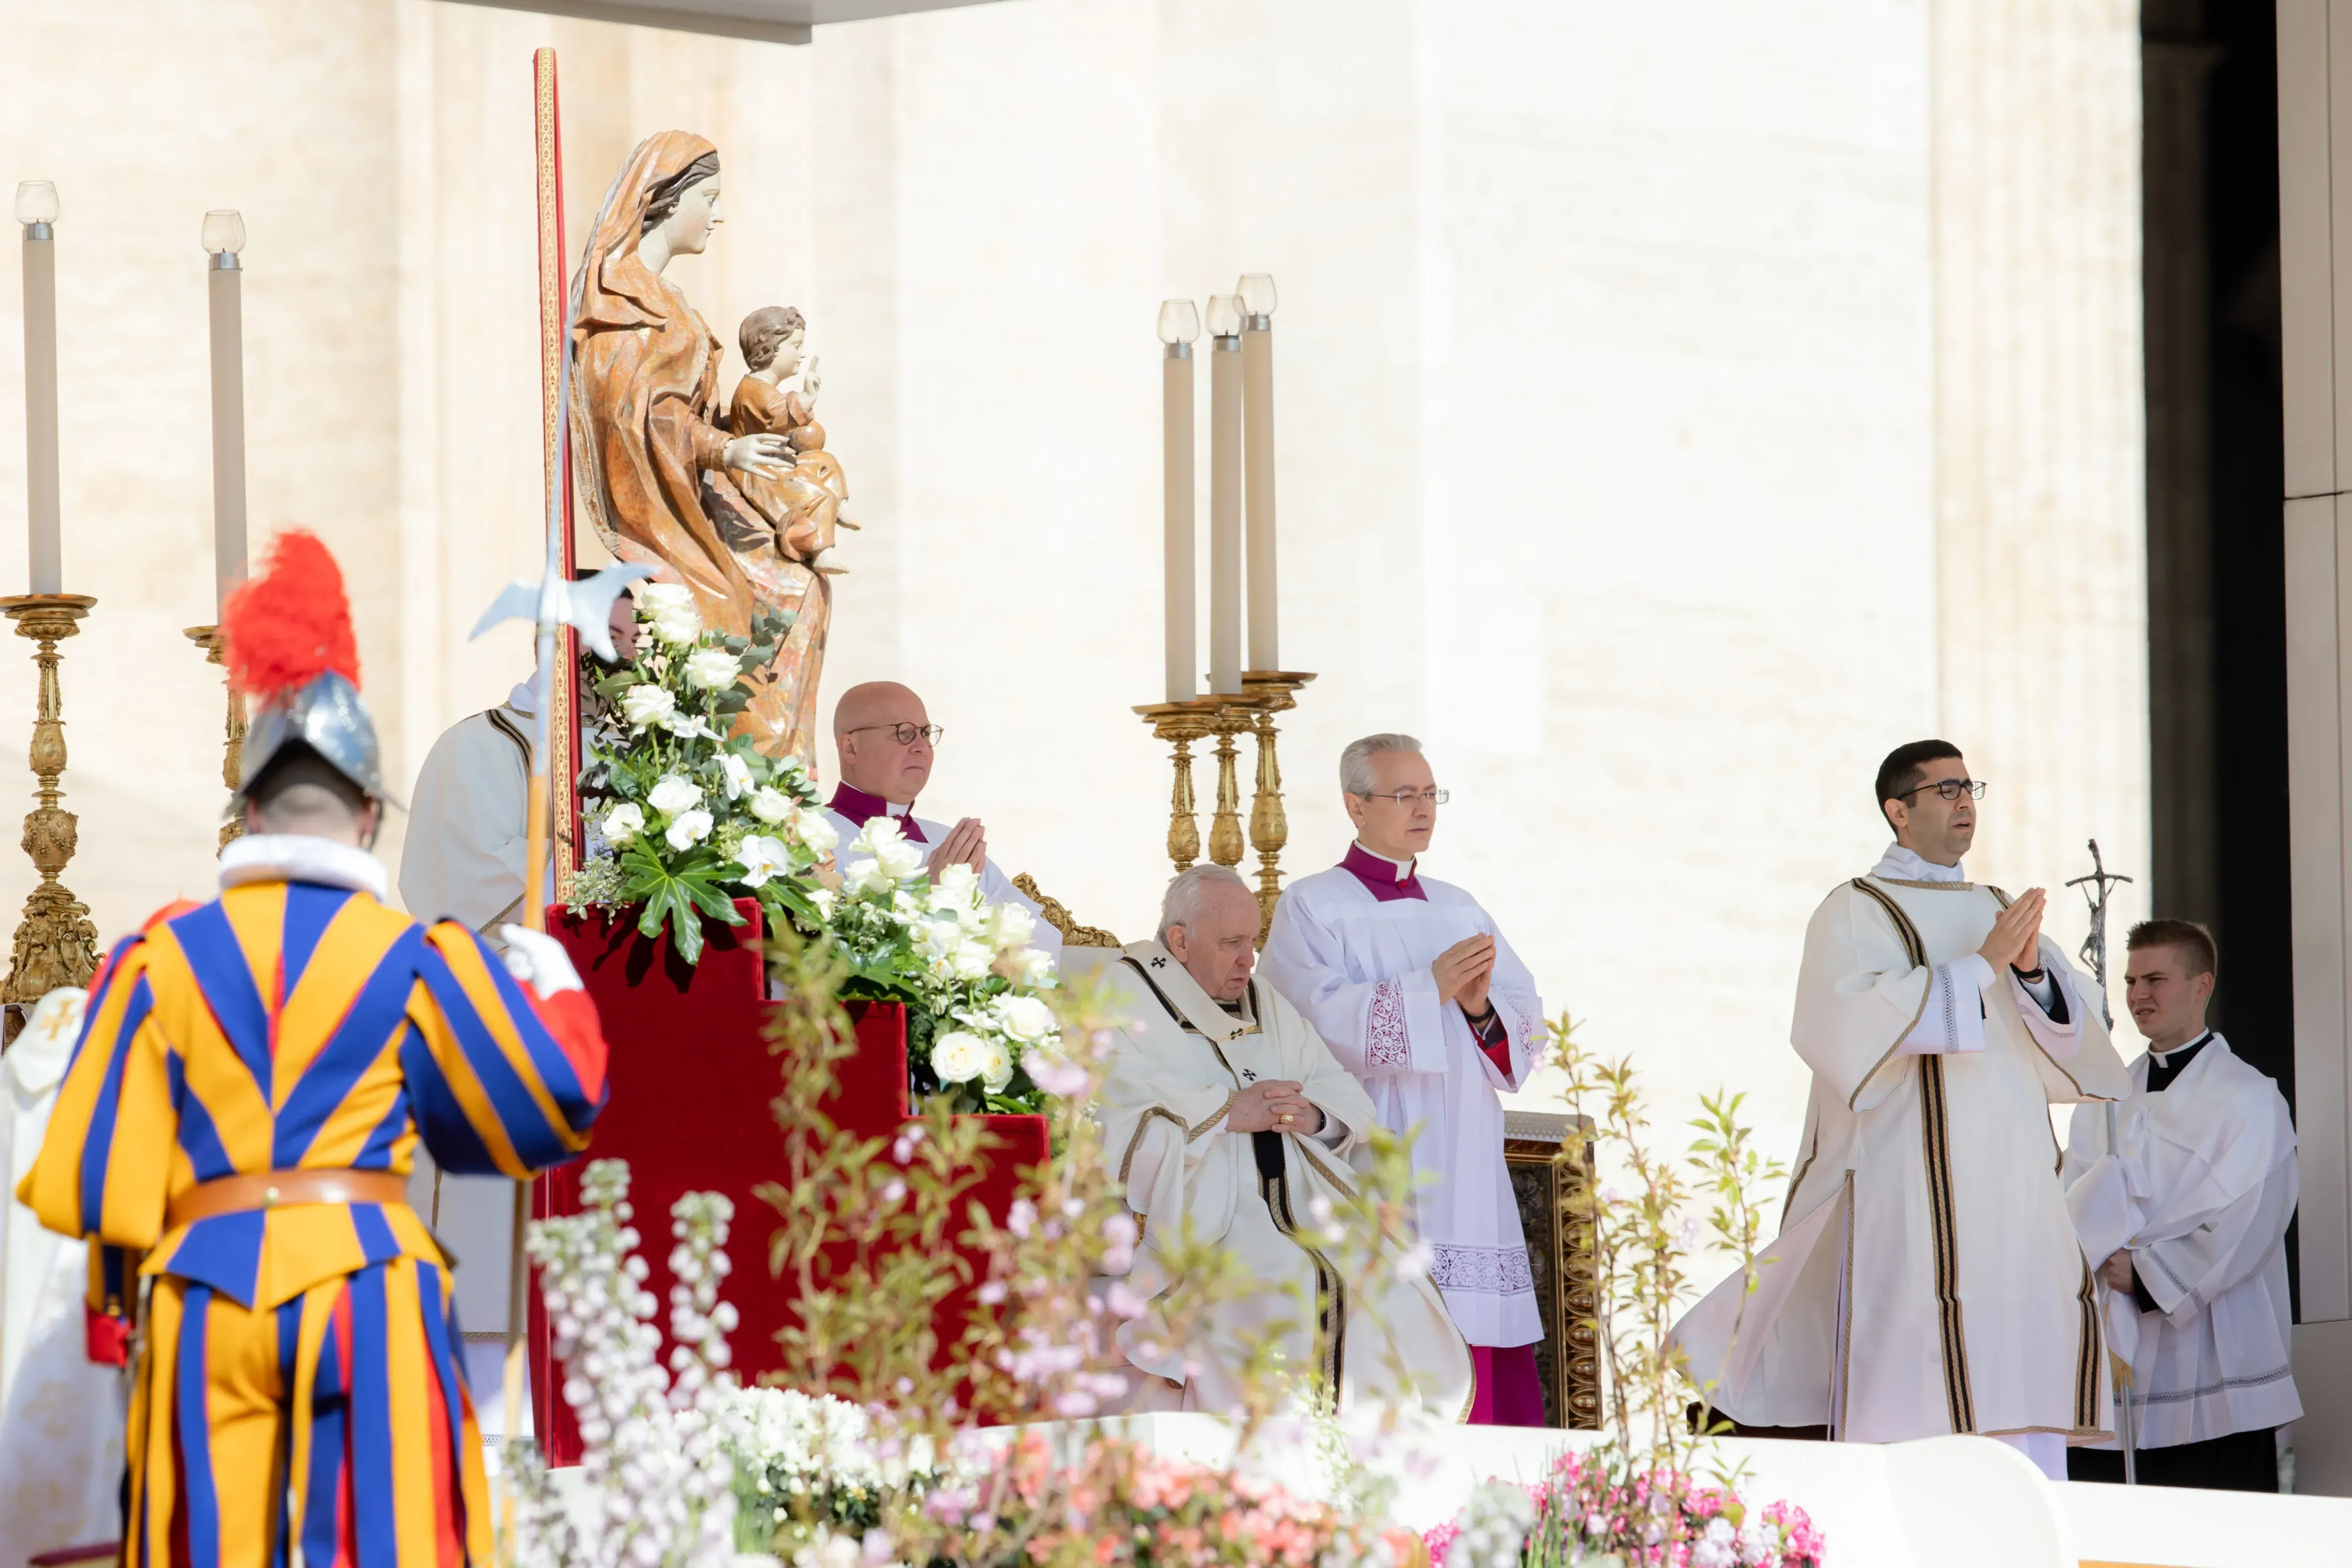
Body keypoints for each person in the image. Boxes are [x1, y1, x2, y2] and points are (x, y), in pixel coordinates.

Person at [17, 531, 609, 1567]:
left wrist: (123, 1324)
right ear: (372, 815)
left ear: (244, 809)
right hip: (370, 1281)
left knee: (204, 1544)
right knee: (390, 1538)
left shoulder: (159, 954)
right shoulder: (418, 955)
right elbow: (538, 1107)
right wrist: (556, 992)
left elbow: (100, 1175)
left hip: (205, 1291)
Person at [1671, 739, 2129, 1482]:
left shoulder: (1993, 907)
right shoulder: (1856, 909)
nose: (1963, 802)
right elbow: (1841, 1025)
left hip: (2010, 1177)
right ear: (1897, 809)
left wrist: (2030, 971)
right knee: (1925, 1387)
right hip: (1913, 1182)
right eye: (1944, 788)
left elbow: (2074, 1036)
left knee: (2014, 1370)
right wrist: (1979, 967)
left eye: (1969, 787)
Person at [1101, 864, 1472, 1418]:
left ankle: (1366, 1467)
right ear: (1179, 942)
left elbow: (1339, 1092)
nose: (1247, 960)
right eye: (1231, 944)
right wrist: (1228, 1112)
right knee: (1291, 1289)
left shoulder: (1265, 1002)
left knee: (1384, 1288)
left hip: (1305, 1202)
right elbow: (1111, 1107)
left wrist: (1313, 1116)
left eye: (1253, 942)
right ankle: (1271, 1466)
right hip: (1212, 1211)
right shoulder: (1122, 994)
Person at [1257, 733, 1546, 1425]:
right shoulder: (1311, 905)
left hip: (1465, 1147)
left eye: (1429, 793)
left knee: (1475, 1318)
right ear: (1355, 805)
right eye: (1403, 794)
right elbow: (1308, 1022)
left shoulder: (1460, 906)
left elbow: (1525, 1025)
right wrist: (1425, 987)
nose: (1422, 808)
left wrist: (1479, 1006)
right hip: (1377, 1141)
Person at [568, 131, 828, 760]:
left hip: (696, 493)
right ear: (666, 199)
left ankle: (776, 778)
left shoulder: (661, 300)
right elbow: (636, 417)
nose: (718, 214)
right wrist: (721, 451)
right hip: (662, 512)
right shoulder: (625, 306)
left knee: (801, 589)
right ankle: (754, 772)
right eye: (708, 197)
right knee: (778, 599)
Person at [2062, 920, 2299, 1491]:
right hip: (2115, 1349)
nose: (2139, 995)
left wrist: (2145, 1273)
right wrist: (2091, 1253)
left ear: (2201, 987)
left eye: (2155, 980)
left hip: (2210, 1343)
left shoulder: (2248, 1098)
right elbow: (2071, 1196)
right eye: (2131, 981)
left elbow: (2251, 1221)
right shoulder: (2106, 1095)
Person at [400, 581, 638, 933]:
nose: (627, 656)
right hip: (517, 973)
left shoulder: (639, 751)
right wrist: (616, 856)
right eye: (611, 637)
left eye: (634, 641)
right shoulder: (478, 743)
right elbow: (473, 871)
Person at [820, 681, 1059, 961]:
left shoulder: (950, 843)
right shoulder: (813, 839)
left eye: (925, 733)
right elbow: (826, 956)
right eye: (905, 733)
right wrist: (930, 895)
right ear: (850, 748)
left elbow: (1043, 941)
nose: (922, 747)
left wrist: (960, 901)